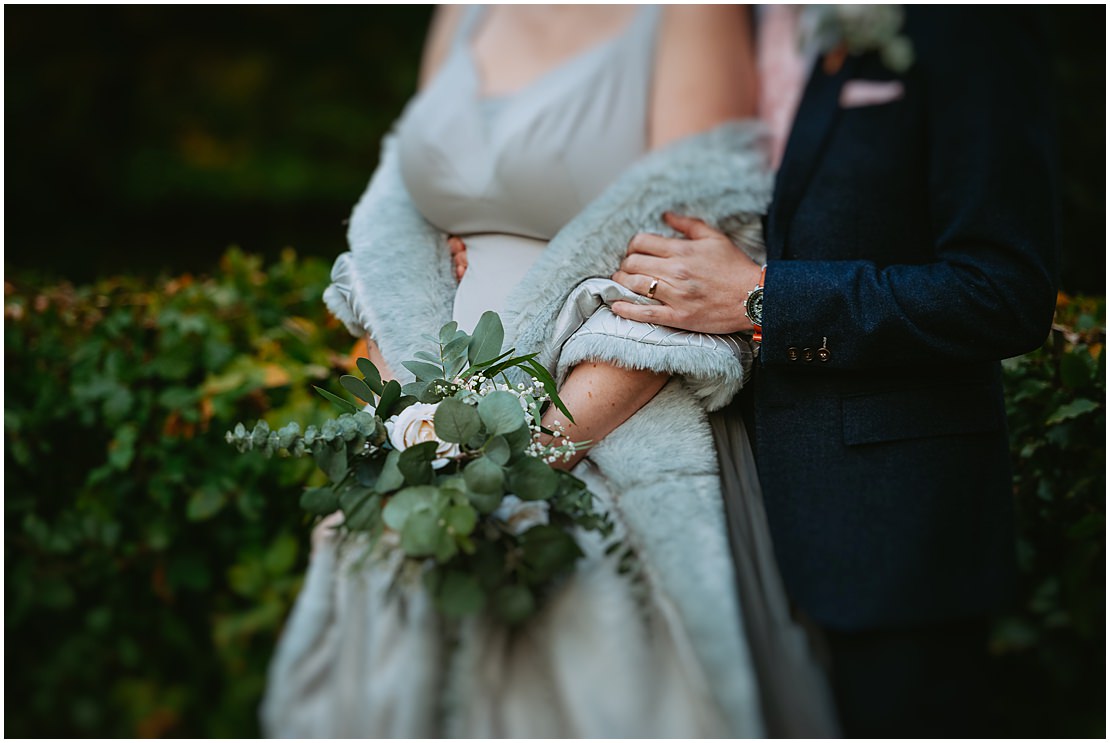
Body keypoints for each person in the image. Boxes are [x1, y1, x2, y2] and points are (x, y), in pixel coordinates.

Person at [260, 5, 838, 738]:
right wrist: (406, 429)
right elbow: (394, 235)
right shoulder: (463, 13)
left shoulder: (694, 12)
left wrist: (513, 464)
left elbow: (687, 259)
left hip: (601, 432)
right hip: (422, 434)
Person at [611, 6, 1059, 737]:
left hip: (886, 537)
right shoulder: (708, 23)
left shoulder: (967, 23)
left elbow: (1003, 292)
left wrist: (765, 300)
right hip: (703, 520)